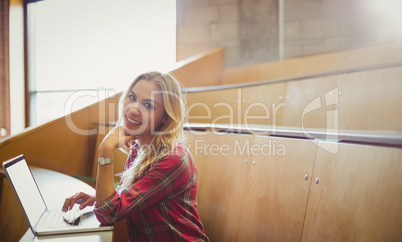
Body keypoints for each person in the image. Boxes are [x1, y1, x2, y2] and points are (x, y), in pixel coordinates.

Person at [62, 71, 209, 241]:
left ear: (165, 117)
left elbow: (107, 214)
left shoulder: (173, 159)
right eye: (132, 97)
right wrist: (99, 197)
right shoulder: (140, 147)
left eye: (148, 105)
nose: (133, 110)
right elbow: (132, 196)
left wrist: (105, 150)